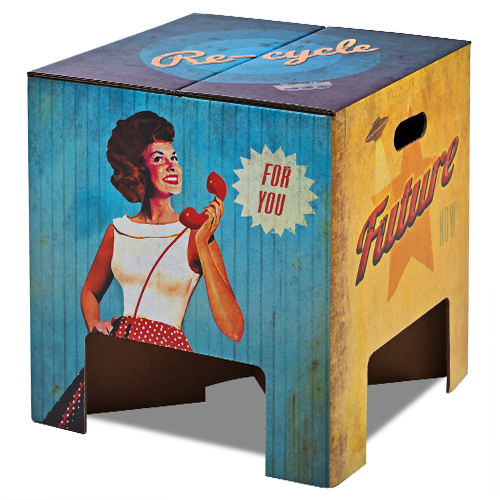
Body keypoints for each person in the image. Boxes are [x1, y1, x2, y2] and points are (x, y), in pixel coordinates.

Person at [80, 110, 244, 353]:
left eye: (174, 157)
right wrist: (95, 326)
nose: (171, 166)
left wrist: (202, 242)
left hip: (168, 357)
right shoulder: (118, 232)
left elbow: (234, 329)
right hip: (121, 352)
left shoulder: (197, 234)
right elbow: (90, 292)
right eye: (158, 158)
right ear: (138, 169)